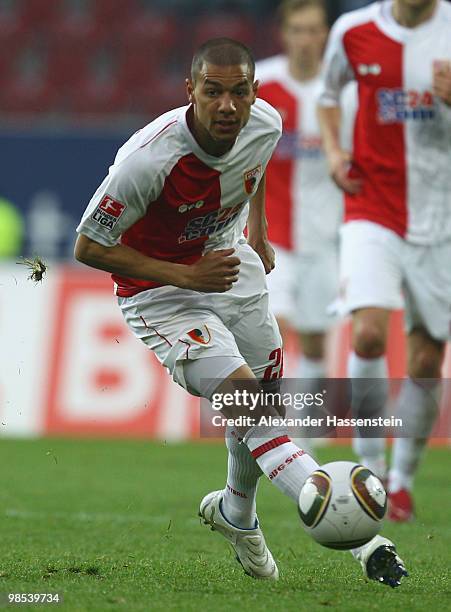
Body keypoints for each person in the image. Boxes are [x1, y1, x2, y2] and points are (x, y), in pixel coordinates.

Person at [75, 38, 406, 586]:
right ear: (191, 92)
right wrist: (186, 276)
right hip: (160, 293)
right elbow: (88, 246)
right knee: (246, 400)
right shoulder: (147, 161)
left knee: (261, 397)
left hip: (230, 262)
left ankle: (236, 512)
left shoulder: (265, 122)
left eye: (238, 92)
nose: (227, 106)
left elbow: (256, 161)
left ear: (254, 92)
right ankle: (365, 542)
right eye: (212, 92)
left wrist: (260, 227)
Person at [318, 0, 451, 521]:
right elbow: (328, 95)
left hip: (440, 219)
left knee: (425, 361)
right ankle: (368, 467)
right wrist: (332, 150)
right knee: (368, 334)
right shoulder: (353, 31)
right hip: (372, 206)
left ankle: (402, 482)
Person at [255, 0, 343, 393]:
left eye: (313, 30)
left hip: (327, 238)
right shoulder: (261, 85)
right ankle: (272, 432)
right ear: (283, 33)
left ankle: (308, 434)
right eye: (297, 30)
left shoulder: (343, 90)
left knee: (314, 341)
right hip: (272, 237)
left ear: (326, 34)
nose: (305, 40)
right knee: (274, 332)